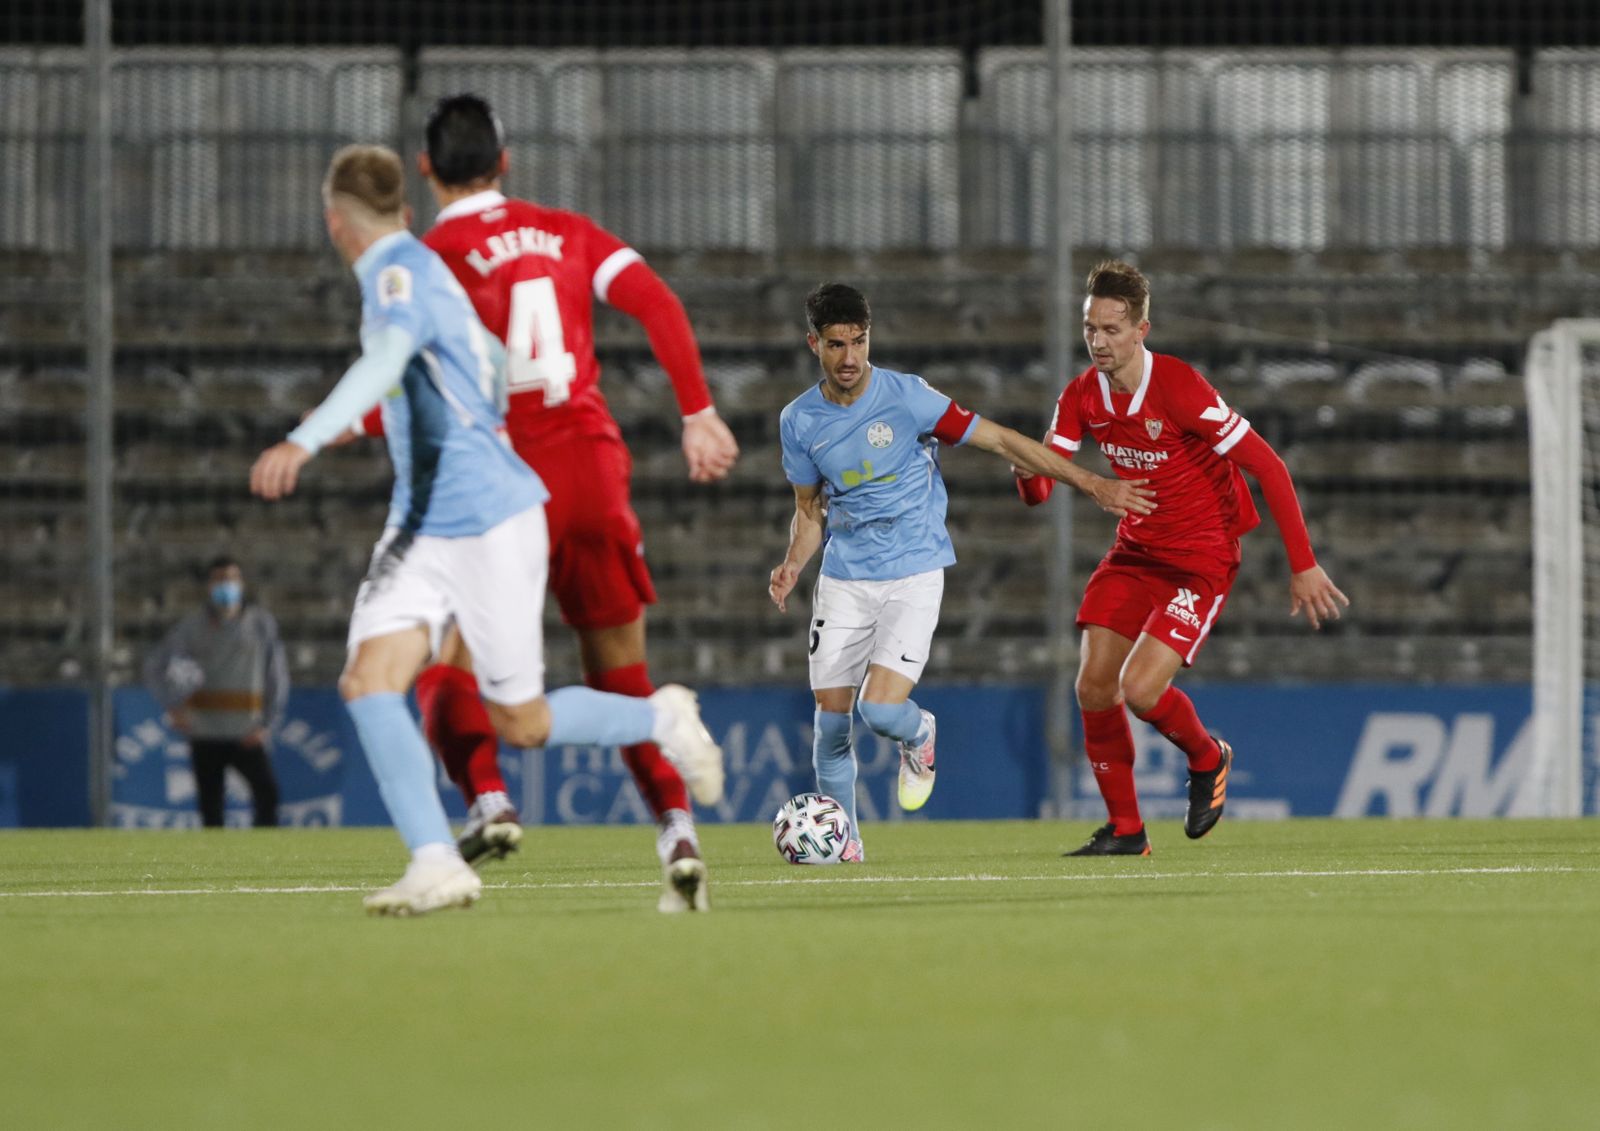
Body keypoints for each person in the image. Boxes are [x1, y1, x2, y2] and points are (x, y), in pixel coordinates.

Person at [249, 144, 722, 916]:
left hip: (481, 519)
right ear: (404, 207)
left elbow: (391, 357)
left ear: (335, 223)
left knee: (521, 720)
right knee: (372, 679)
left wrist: (309, 436)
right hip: (451, 515)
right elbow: (489, 368)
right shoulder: (439, 262)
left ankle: (658, 716)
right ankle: (436, 859)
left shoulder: (401, 271)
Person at [768, 282, 1155, 860]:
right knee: (830, 723)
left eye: (859, 342)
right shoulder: (799, 420)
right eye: (836, 345)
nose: (850, 358)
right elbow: (808, 508)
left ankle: (920, 733)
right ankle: (844, 848)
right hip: (845, 576)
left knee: (878, 711)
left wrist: (1092, 482)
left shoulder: (908, 399)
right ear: (813, 345)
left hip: (913, 570)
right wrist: (794, 562)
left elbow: (1000, 440)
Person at [1016, 260, 1349, 856]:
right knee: (1093, 686)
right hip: (1136, 553)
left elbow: (1267, 466)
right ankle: (1126, 832)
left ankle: (1207, 755)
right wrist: (1026, 472)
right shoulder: (1081, 395)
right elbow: (1041, 489)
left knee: (1140, 690)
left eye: (1112, 329)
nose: (1098, 341)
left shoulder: (1178, 386)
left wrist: (1303, 563)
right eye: (1091, 328)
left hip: (1201, 557)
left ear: (1142, 329)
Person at [142, 555, 287, 828]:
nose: (226, 585)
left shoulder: (260, 624)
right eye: (220, 579)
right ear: (209, 585)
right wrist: (173, 706)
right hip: (205, 730)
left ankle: (266, 858)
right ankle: (214, 867)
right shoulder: (192, 627)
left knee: (267, 793)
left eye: (232, 579)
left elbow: (276, 676)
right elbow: (155, 666)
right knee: (211, 807)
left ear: (241, 583)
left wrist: (267, 722)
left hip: (246, 730)